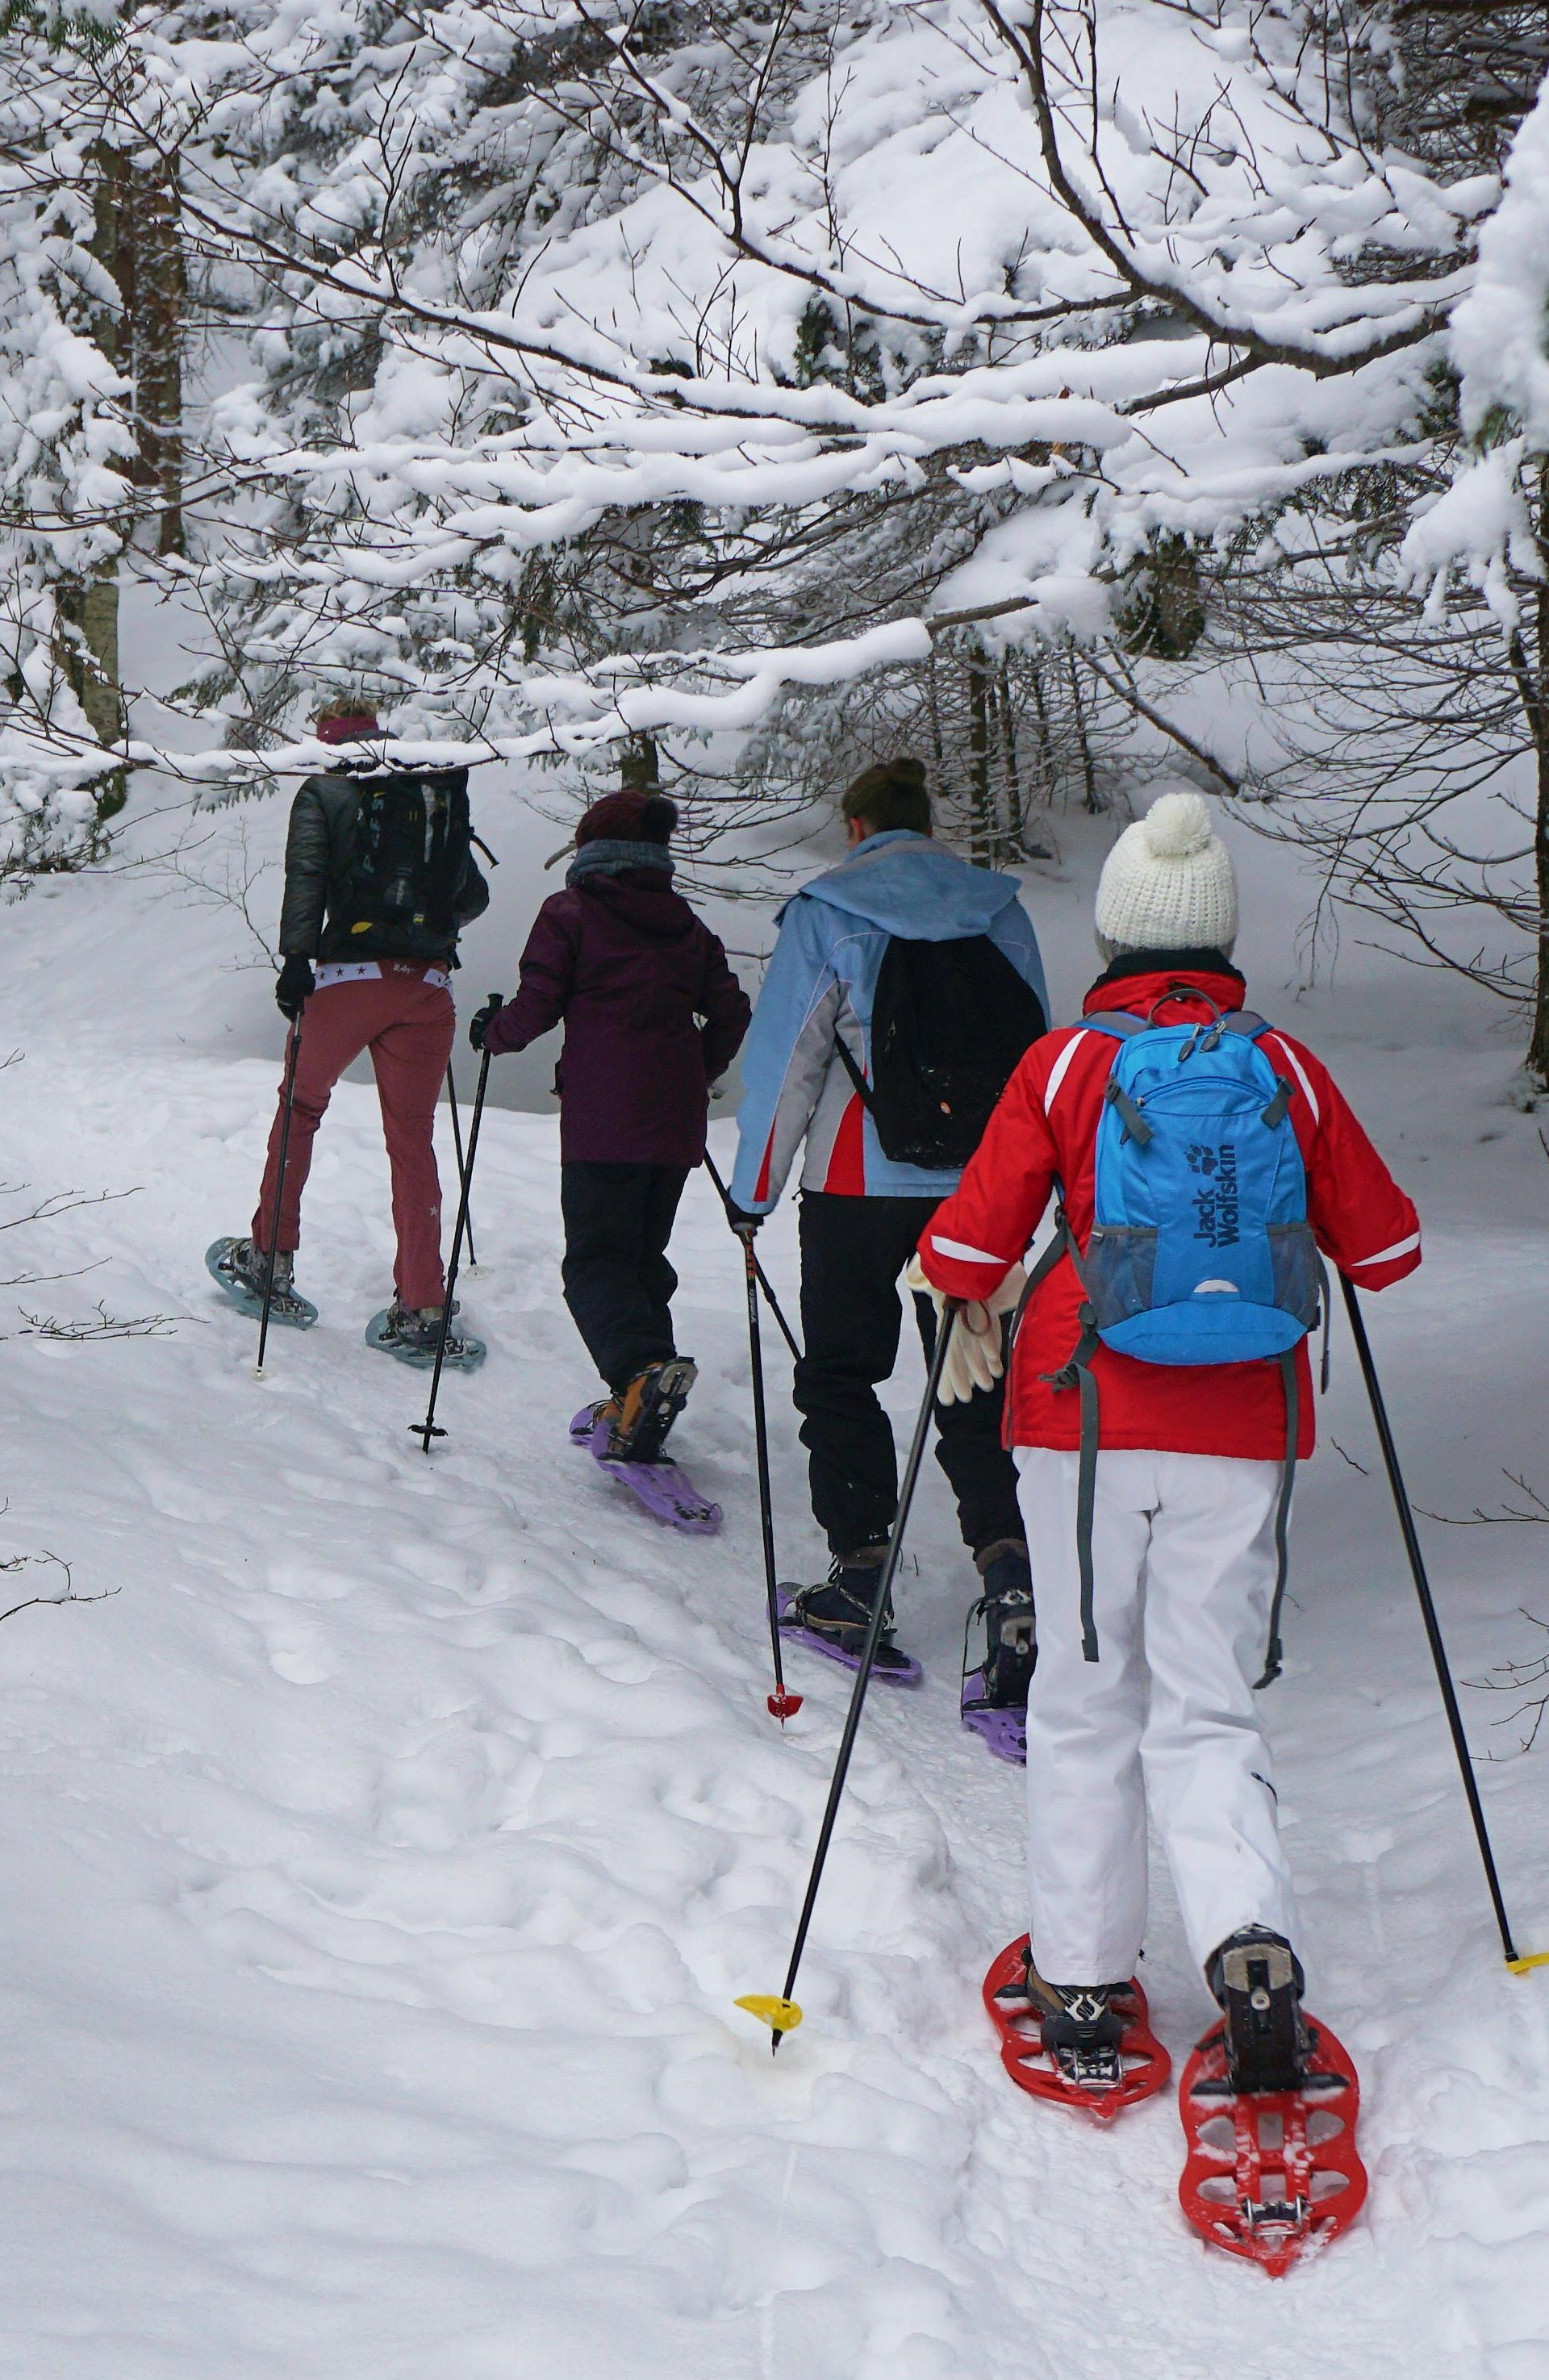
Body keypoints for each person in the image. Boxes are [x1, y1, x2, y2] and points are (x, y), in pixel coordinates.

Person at [912, 791, 1422, 2094]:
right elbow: (1390, 1247)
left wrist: (963, 1275)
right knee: (1205, 1702)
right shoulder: (1284, 1066)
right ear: (1219, 936)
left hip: (1078, 1422)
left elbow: (966, 1246)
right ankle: (1250, 1943)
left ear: (1116, 930)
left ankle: (1080, 1975)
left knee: (1086, 1700)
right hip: (1241, 1426)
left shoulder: (1071, 1064)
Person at [726, 757, 1047, 1697]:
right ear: (926, 822)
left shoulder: (827, 911)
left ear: (858, 828)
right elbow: (1037, 1057)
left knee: (839, 1373)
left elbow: (787, 1063)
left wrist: (752, 1193)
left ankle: (860, 1578)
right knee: (974, 1379)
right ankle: (1010, 1581)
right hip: (978, 1199)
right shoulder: (998, 910)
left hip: (853, 1187)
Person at [208, 701, 491, 1366]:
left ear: (326, 741)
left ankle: (269, 1261)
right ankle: (422, 1305)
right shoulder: (428, 787)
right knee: (412, 1143)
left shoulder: (325, 788)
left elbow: (305, 874)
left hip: (344, 980)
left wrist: (296, 959)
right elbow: (471, 895)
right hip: (427, 986)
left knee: (301, 1109)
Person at [477, 787, 750, 1458]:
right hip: (674, 1119)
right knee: (640, 1257)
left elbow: (539, 1002)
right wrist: (698, 1069)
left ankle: (639, 1376)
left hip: (605, 1116)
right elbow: (732, 1011)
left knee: (596, 1261)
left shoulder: (570, 912)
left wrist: (495, 1035)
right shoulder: (685, 924)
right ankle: (647, 1388)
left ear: (590, 849)